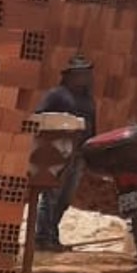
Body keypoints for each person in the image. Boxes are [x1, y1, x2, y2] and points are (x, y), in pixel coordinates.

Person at [34, 54, 97, 252]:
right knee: (51, 195)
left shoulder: (88, 100)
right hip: (58, 151)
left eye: (86, 74)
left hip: (79, 154)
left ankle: (52, 233)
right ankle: (43, 237)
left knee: (65, 198)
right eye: (80, 74)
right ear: (70, 76)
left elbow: (92, 127)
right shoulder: (57, 95)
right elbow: (39, 117)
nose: (84, 78)